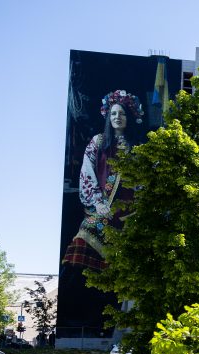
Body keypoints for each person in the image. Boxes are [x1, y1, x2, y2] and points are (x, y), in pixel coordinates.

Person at [61, 89, 145, 272]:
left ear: (129, 117)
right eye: (113, 113)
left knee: (124, 269)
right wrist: (98, 201)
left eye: (122, 113)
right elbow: (87, 171)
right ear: (108, 116)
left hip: (127, 215)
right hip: (100, 211)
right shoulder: (98, 142)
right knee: (79, 254)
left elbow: (143, 180)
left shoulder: (137, 148)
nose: (117, 117)